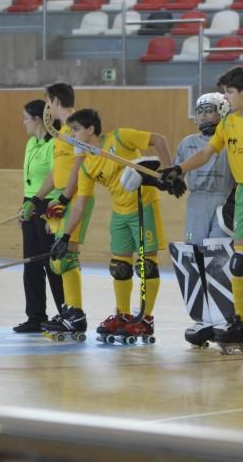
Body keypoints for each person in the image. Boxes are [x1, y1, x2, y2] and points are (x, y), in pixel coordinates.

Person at [161, 66, 243, 353]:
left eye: (229, 92)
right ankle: (239, 322)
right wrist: (178, 169)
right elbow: (206, 153)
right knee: (238, 264)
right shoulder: (228, 124)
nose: (226, 97)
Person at [53, 108, 175, 343]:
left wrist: (171, 172)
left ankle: (146, 319)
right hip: (119, 213)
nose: (74, 135)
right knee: (119, 267)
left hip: (143, 205)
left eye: (76, 129)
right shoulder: (88, 165)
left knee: (146, 266)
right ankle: (123, 315)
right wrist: (66, 236)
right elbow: (80, 204)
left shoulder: (120, 137)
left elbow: (160, 140)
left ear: (91, 129)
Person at [170, 92, 235, 348]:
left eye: (209, 110)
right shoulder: (187, 143)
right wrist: (172, 180)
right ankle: (203, 318)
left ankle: (224, 319)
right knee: (194, 258)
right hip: (197, 202)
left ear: (222, 111)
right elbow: (178, 169)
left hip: (224, 200)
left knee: (218, 259)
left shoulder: (231, 140)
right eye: (200, 111)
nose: (203, 116)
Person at [38, 82, 92, 339]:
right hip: (63, 196)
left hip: (76, 196)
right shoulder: (61, 132)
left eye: (47, 102)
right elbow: (58, 170)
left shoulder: (76, 129)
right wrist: (39, 198)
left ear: (55, 101)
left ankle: (76, 314)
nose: (46, 108)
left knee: (67, 255)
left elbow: (78, 167)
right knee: (59, 258)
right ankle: (70, 310)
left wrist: (64, 197)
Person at [14, 99, 64, 332]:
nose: (23, 122)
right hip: (30, 203)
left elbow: (55, 177)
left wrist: (40, 208)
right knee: (30, 263)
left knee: (51, 262)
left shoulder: (54, 144)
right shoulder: (30, 143)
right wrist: (24, 205)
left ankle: (66, 312)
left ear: (37, 119)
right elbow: (30, 182)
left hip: (48, 205)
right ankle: (35, 316)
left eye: (26, 118)